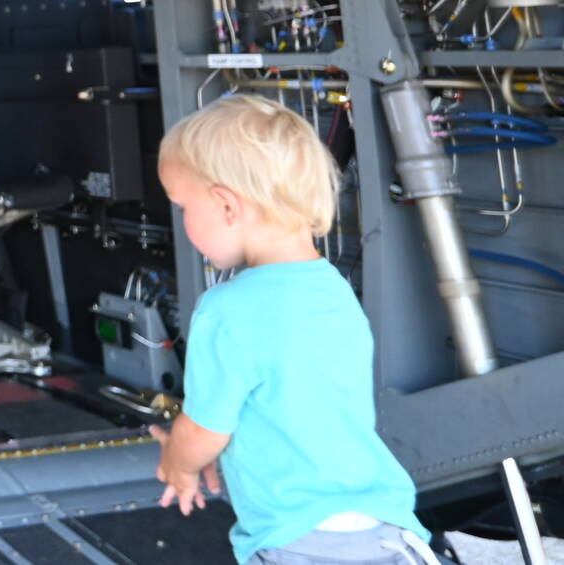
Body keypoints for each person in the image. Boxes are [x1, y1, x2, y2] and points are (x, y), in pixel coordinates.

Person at [151, 96, 439, 565]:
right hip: (385, 527)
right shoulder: (333, 290)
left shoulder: (225, 310)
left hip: (300, 538)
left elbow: (205, 429)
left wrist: (178, 464)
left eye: (183, 206)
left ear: (226, 204)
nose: (183, 220)